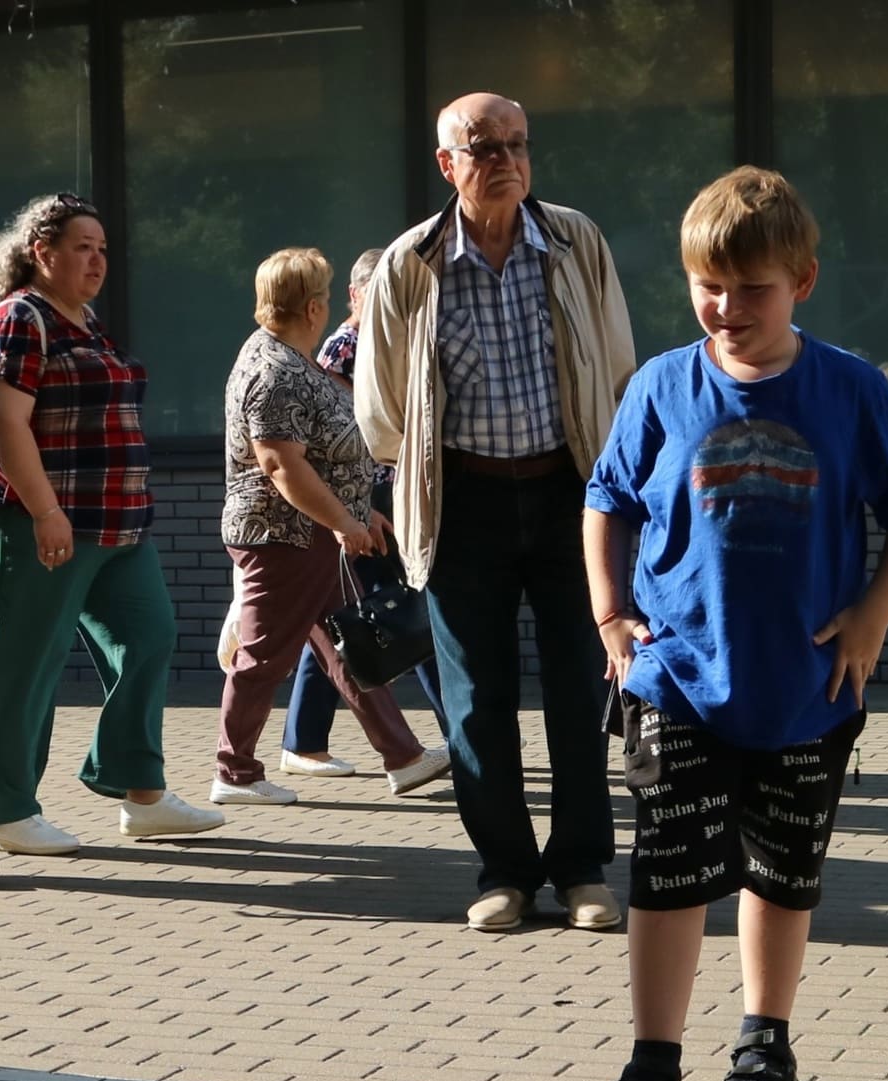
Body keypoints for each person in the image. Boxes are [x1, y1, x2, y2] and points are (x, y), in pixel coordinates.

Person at [582, 165, 888, 1081]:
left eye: (753, 289)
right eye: (708, 285)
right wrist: (610, 614)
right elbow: (605, 500)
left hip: (808, 688)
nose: (727, 307)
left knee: (781, 874)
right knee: (668, 871)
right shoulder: (661, 385)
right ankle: (653, 1060)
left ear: (803, 282)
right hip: (676, 680)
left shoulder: (851, 391)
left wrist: (871, 618)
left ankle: (764, 1038)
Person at [356, 92, 637, 933]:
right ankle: (505, 873)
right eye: (484, 147)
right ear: (448, 164)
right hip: (462, 501)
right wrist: (422, 480)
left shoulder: (577, 241)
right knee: (476, 699)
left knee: (579, 684)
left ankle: (582, 869)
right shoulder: (410, 264)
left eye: (518, 143)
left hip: (567, 493)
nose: (506, 160)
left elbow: (618, 367)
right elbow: (381, 412)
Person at [0, 192, 222, 853]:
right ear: (42, 253)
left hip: (115, 520)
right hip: (36, 516)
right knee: (31, 659)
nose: (98, 259)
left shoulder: (85, 321)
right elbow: (3, 422)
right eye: (83, 247)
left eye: (102, 248)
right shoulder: (20, 317)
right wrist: (45, 511)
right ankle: (6, 810)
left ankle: (140, 793)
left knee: (149, 636)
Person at [212, 247, 447, 808]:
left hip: (309, 534)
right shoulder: (275, 369)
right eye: (323, 293)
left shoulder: (286, 357)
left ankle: (403, 757)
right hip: (281, 537)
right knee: (263, 656)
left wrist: (358, 511)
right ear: (313, 307)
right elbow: (281, 465)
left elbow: (315, 459)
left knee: (347, 645)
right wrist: (344, 519)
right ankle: (234, 772)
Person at [279, 244, 448, 778]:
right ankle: (458, 731)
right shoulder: (343, 350)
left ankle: (303, 740)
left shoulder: (390, 343)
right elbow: (344, 434)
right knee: (402, 610)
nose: (387, 305)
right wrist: (350, 510)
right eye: (377, 295)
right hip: (363, 500)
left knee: (355, 616)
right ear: (354, 295)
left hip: (389, 495)